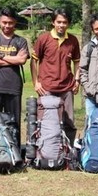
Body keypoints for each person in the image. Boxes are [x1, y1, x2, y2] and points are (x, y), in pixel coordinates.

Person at [30, 8, 80, 144]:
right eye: (59, 22)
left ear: (68, 24)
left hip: (67, 87)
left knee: (69, 121)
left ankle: (68, 151)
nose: (61, 25)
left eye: (64, 22)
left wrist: (77, 80)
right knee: (46, 121)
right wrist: (36, 82)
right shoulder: (44, 38)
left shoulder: (73, 40)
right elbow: (33, 61)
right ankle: (44, 149)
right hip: (47, 87)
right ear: (53, 22)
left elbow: (77, 63)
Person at [0, 7, 29, 146]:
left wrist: (1, 56)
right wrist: (12, 59)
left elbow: (22, 60)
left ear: (15, 23)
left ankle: (14, 150)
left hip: (13, 87)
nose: (7, 26)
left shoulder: (21, 41)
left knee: (13, 121)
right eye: (4, 22)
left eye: (10, 23)